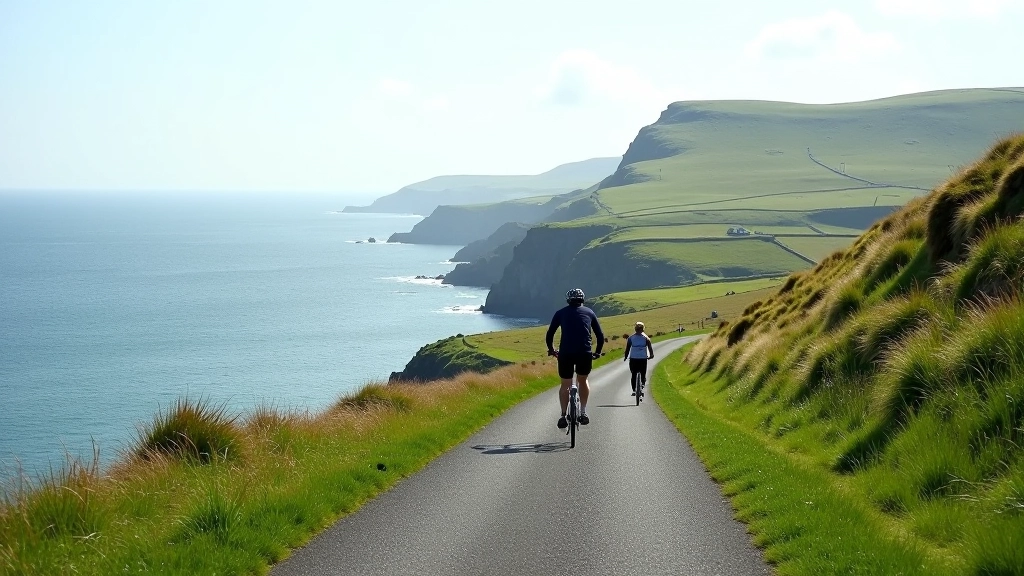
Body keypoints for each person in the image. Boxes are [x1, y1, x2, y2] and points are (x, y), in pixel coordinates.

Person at [546, 288, 604, 429]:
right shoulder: (590, 312)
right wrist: (597, 352)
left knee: (565, 384)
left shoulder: (560, 313)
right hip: (584, 353)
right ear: (582, 299)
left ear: (568, 300)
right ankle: (583, 412)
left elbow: (550, 334)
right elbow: (600, 336)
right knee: (582, 380)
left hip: (566, 354)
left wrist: (552, 350)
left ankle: (563, 415)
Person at [623, 321, 654, 397]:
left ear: (635, 329)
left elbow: (627, 349)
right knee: (643, 373)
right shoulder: (646, 338)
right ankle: (642, 385)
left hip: (633, 358)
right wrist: (651, 355)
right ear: (643, 329)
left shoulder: (631, 338)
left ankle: (634, 390)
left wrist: (626, 357)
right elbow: (650, 348)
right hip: (643, 358)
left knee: (633, 373)